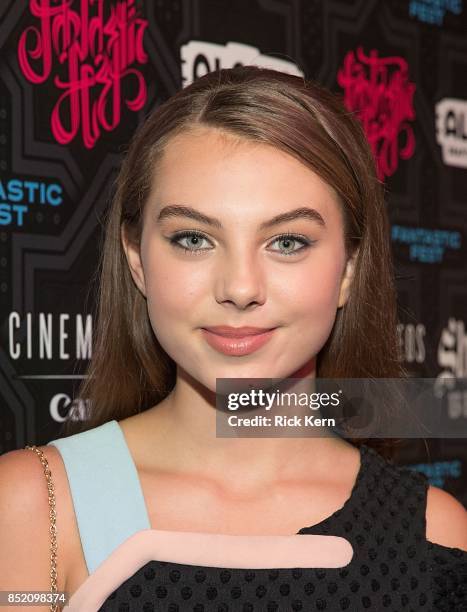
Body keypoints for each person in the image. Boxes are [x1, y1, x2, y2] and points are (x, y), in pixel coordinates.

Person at [1, 66, 466, 611]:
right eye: (194, 238)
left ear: (348, 270)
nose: (240, 288)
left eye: (288, 241)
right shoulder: (34, 509)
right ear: (137, 261)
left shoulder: (435, 534)